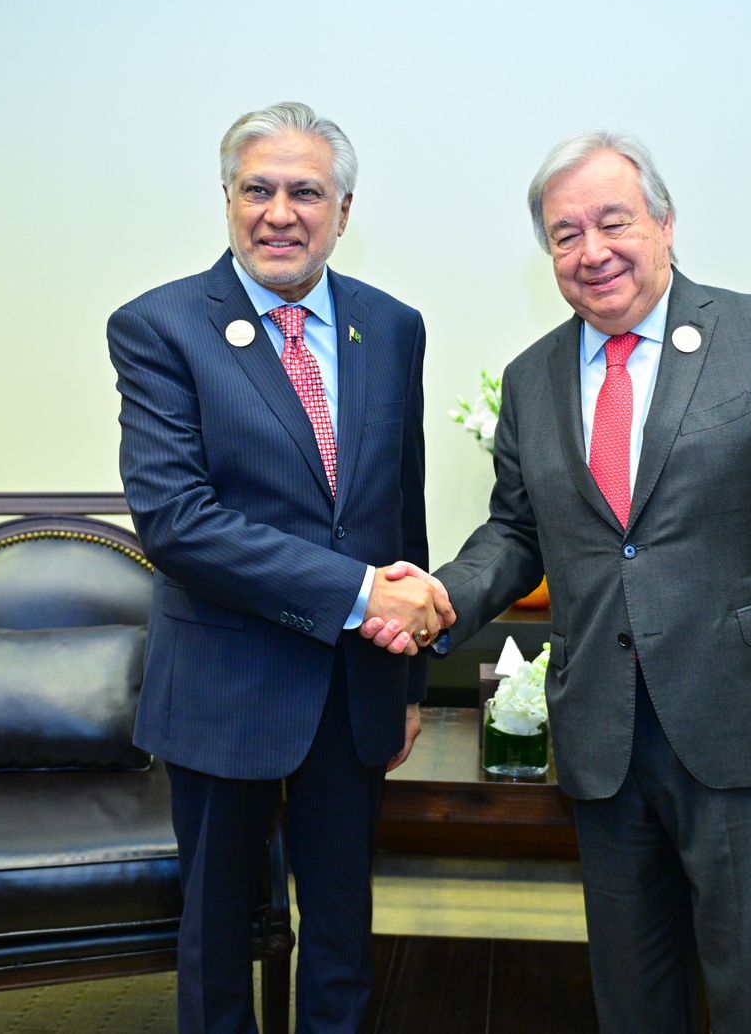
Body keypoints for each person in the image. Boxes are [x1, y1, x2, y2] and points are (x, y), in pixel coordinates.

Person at [366, 132, 751, 1032]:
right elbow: (519, 530)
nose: (592, 250)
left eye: (613, 221)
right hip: (603, 732)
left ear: (665, 224)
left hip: (747, 730)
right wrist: (441, 596)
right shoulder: (531, 380)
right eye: (566, 235)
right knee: (634, 995)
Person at [108, 101, 450, 1034]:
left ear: (344, 210)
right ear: (227, 199)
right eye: (258, 189)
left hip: (356, 686)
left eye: (306, 191)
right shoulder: (161, 327)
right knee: (217, 934)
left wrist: (410, 672)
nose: (279, 212)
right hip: (226, 679)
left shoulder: (392, 326)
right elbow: (178, 523)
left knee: (342, 928)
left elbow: (400, 506)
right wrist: (355, 594)